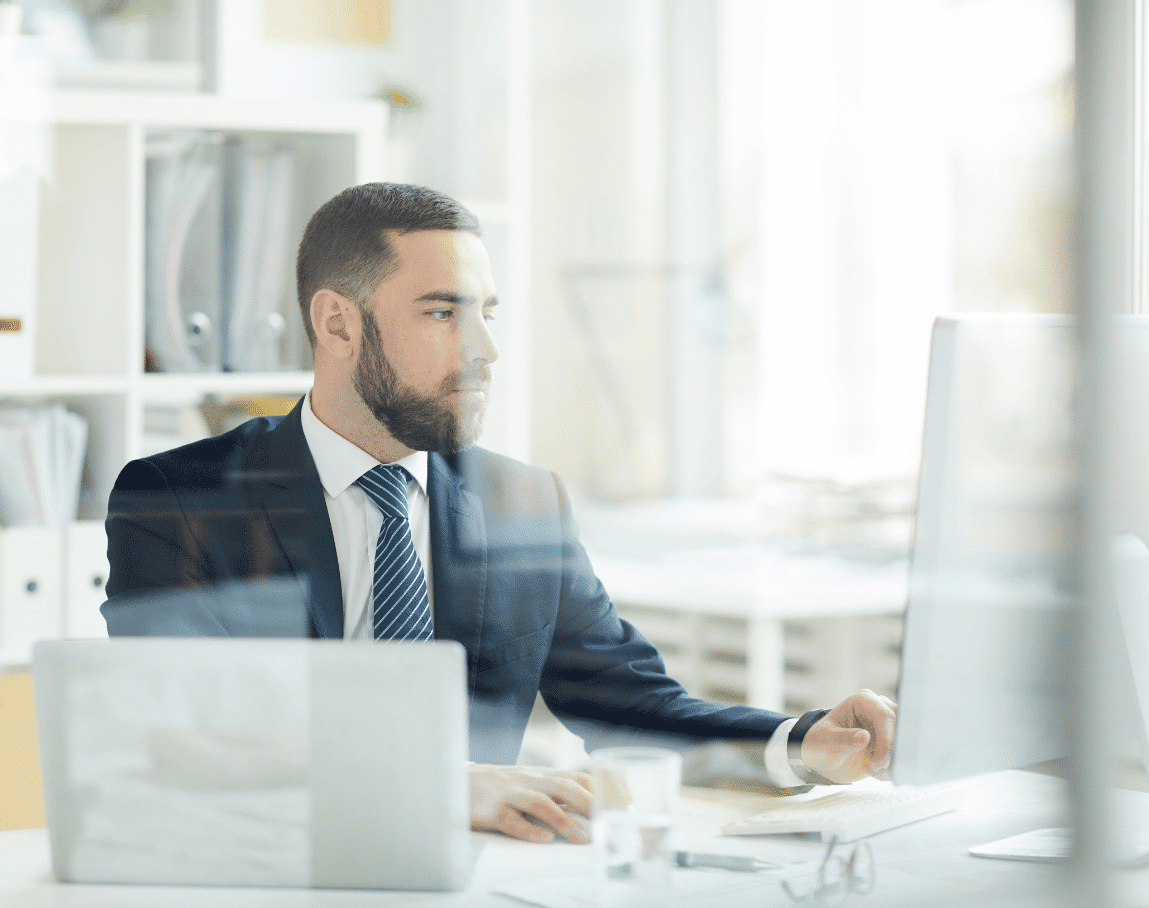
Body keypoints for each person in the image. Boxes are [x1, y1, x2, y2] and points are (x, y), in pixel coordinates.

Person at [104, 182, 897, 846]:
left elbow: (631, 708)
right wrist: (438, 786)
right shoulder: (180, 499)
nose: (485, 348)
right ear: (337, 322)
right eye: (443, 314)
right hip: (268, 882)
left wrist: (799, 746)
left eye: (487, 311)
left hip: (482, 889)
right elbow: (187, 741)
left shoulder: (525, 505)